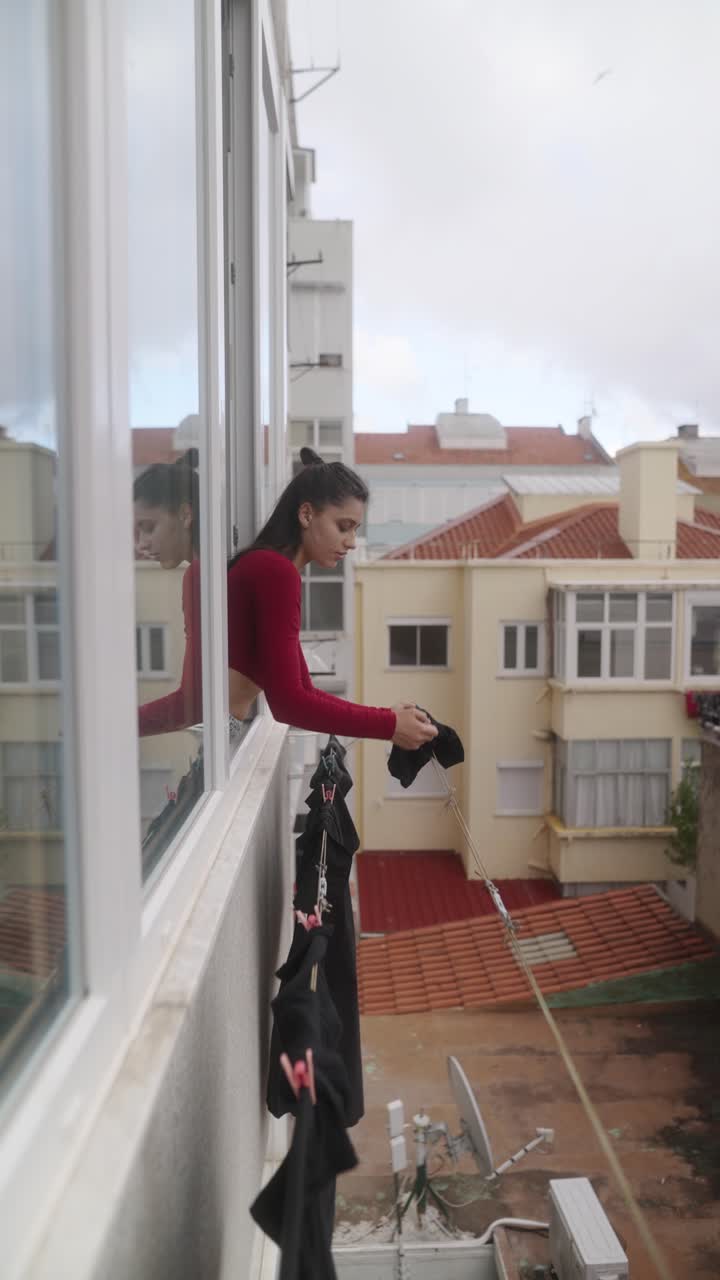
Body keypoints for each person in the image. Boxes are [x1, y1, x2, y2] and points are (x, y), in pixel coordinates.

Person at [227, 448, 437, 750]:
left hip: (218, 740)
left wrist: (389, 718)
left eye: (355, 530)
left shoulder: (269, 567)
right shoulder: (275, 572)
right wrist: (390, 725)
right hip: (213, 747)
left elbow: (303, 691)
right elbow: (290, 704)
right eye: (343, 527)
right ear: (307, 514)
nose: (351, 542)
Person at [134, 449, 202, 737]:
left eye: (148, 528)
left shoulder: (201, 578)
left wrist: (107, 729)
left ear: (186, 514)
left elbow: (192, 704)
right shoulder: (219, 568)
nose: (141, 544)